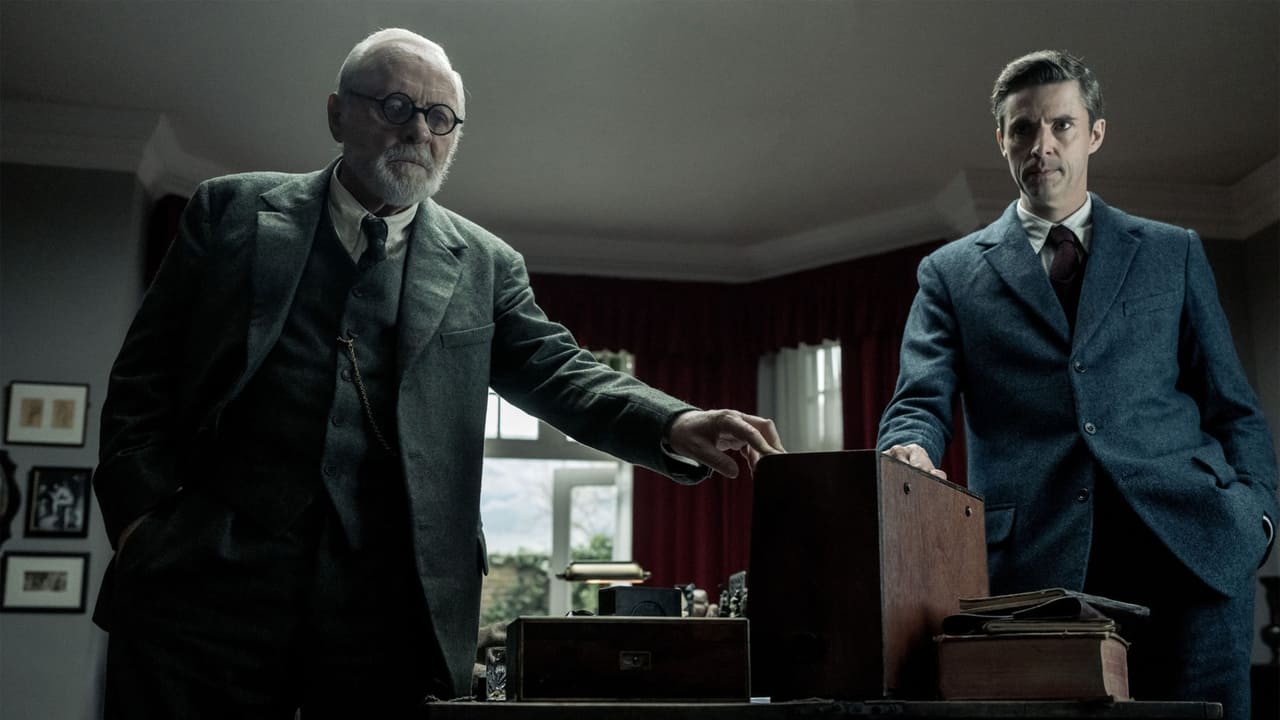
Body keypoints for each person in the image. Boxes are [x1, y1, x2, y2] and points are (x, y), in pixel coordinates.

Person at [92, 27, 783, 719]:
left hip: (388, 603)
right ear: (337, 114)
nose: (419, 130)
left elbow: (559, 370)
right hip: (205, 586)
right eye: (396, 107)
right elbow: (142, 380)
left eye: (440, 117)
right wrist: (143, 527)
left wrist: (675, 420)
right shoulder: (231, 211)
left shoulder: (486, 265)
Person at [878, 50, 1276, 718]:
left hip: (1195, 556)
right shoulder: (948, 274)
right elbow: (918, 402)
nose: (1043, 145)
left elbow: (1232, 407)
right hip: (1038, 574)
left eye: (1061, 125)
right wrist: (910, 449)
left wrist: (1256, 518)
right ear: (1002, 140)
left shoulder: (1171, 251)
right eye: (1023, 129)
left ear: (1094, 134)